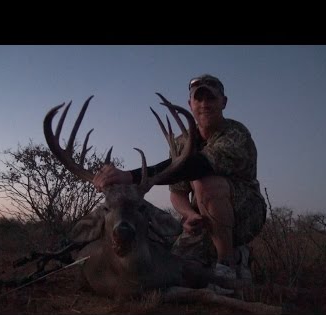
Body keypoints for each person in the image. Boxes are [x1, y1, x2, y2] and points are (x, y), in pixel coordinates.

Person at [93, 74, 266, 293]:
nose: (204, 104)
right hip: (205, 217)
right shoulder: (181, 142)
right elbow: (177, 191)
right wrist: (188, 214)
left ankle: (227, 265)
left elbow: (197, 166)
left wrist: (129, 176)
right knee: (179, 267)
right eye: (198, 99)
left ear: (224, 102)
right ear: (190, 104)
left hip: (246, 213)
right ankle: (239, 254)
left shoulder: (235, 134)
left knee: (206, 184)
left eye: (211, 98)